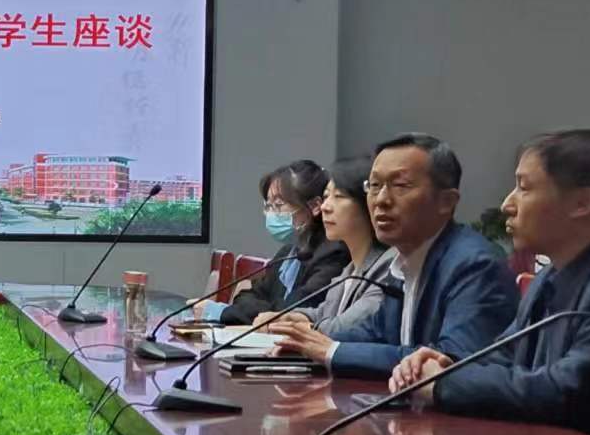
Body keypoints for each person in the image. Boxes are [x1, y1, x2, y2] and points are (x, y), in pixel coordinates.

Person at [392, 130, 590, 435]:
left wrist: (443, 384)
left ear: (582, 202)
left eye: (523, 188)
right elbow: (503, 357)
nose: (507, 204)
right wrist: (447, 366)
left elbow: (569, 392)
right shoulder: (552, 273)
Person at [270, 133, 516, 377]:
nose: (381, 200)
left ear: (446, 201)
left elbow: (450, 360)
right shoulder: (405, 260)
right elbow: (375, 332)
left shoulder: (474, 265)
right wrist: (305, 344)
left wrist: (332, 351)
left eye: (400, 186)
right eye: (374, 186)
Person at [201, 159, 347, 324]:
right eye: (268, 206)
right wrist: (267, 308)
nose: (271, 214)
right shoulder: (287, 253)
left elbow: (289, 312)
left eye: (278, 205)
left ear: (315, 206)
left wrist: (230, 312)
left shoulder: (332, 254)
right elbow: (246, 296)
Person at [271, 156, 397, 335]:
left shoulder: (388, 268)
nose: (325, 207)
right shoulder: (350, 269)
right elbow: (323, 312)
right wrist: (291, 317)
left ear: (368, 202)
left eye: (338, 196)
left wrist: (295, 328)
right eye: (326, 196)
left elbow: (345, 327)